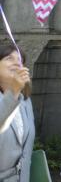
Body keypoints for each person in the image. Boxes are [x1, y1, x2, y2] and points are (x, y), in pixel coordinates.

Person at [0, 44, 34, 182]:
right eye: (9, 58)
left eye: (19, 59)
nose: (16, 62)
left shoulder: (25, 101)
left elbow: (26, 151)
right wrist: (13, 91)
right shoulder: (14, 96)